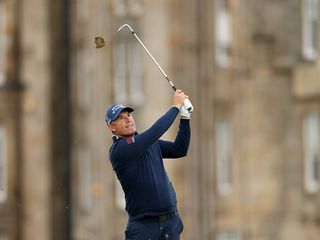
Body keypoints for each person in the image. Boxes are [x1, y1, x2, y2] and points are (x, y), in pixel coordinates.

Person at [105, 89, 192, 240]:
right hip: (143, 228)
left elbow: (179, 150)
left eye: (129, 115)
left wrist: (185, 117)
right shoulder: (119, 150)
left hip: (170, 224)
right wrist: (176, 107)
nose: (128, 120)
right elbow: (155, 131)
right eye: (120, 118)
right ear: (112, 127)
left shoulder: (149, 143)